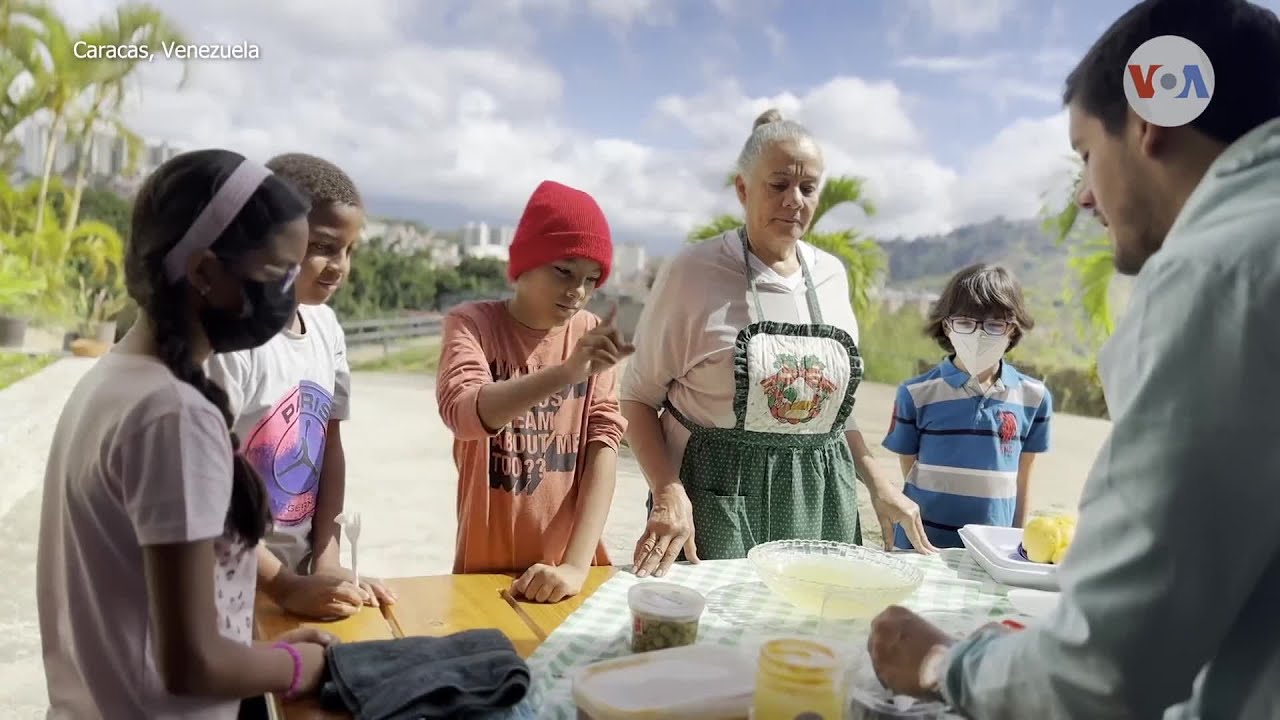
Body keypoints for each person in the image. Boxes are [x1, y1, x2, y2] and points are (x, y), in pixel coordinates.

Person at [868, 1, 1280, 717]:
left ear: (1150, 118)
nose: (1086, 194)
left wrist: (940, 663)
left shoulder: (1220, 275)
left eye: (1086, 152)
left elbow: (1104, 668)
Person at [36, 149, 339, 718]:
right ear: (203, 271)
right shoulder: (173, 415)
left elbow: (154, 627)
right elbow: (191, 665)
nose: (289, 293)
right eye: (279, 273)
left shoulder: (117, 378)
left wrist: (264, 655)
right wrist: (304, 666)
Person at [623, 108, 936, 579]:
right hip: (716, 493)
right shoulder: (693, 272)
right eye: (778, 185)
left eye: (808, 187)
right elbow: (637, 397)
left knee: (814, 617)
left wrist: (879, 484)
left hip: (820, 497)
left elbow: (836, 412)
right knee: (717, 621)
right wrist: (667, 491)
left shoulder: (831, 276)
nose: (794, 200)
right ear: (743, 189)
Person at [206, 152, 395, 621]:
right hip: (220, 586)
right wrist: (282, 586)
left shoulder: (327, 328)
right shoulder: (231, 342)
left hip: (292, 581)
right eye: (324, 246)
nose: (340, 266)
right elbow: (203, 487)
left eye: (350, 250)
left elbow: (329, 445)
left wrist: (326, 563)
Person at [435, 179, 630, 603]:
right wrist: (566, 373)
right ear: (525, 262)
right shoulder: (472, 325)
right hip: (484, 569)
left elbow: (604, 444)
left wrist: (575, 567)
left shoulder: (590, 334)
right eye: (564, 271)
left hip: (572, 573)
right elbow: (464, 413)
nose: (577, 291)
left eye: (591, 279)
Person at [882, 263, 1052, 550]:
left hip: (992, 548)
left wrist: (1016, 545)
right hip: (921, 546)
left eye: (994, 324)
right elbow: (910, 469)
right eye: (965, 322)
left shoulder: (1034, 398)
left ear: (1012, 329)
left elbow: (1023, 479)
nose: (979, 334)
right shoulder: (915, 394)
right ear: (947, 326)